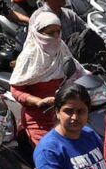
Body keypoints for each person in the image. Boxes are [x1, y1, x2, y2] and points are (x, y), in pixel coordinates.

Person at [9, 10, 87, 145]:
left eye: (58, 31)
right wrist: (38, 101)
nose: (56, 36)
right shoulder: (30, 56)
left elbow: (76, 72)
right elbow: (16, 90)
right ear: (38, 33)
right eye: (50, 33)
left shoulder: (61, 48)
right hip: (39, 120)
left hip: (66, 115)